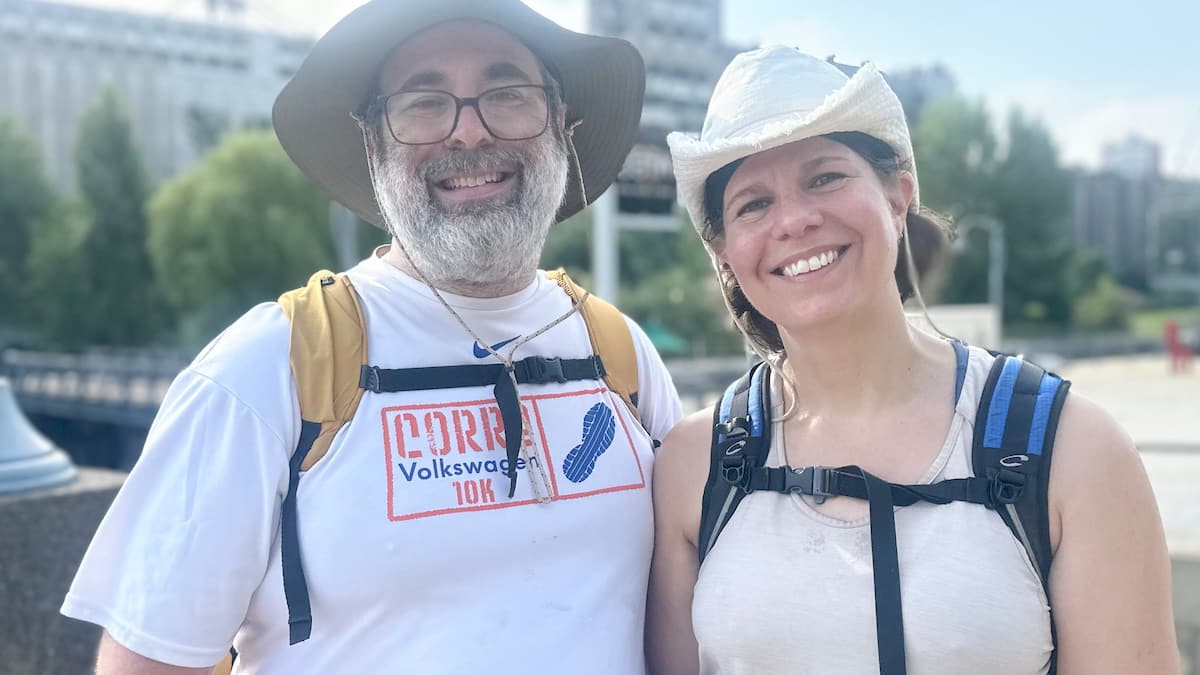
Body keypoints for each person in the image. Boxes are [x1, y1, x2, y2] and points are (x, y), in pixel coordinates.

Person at [61, 2, 682, 673]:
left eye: (507, 95)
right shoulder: (268, 369)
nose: (468, 133)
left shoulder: (620, 353)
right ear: (373, 140)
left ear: (562, 125)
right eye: (423, 102)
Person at [646, 47, 1179, 675]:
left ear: (898, 199)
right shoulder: (693, 467)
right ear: (724, 253)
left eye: (824, 177)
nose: (794, 220)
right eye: (752, 204)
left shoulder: (1072, 451)